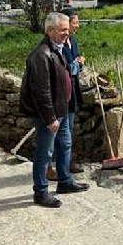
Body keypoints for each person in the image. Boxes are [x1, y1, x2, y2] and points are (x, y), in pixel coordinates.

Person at [19, 12, 89, 208]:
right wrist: (50, 118)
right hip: (49, 115)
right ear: (50, 31)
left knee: (64, 145)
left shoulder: (57, 49)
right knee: (45, 152)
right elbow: (41, 91)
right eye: (63, 30)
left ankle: (65, 181)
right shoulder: (41, 54)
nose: (68, 33)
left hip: (62, 110)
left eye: (68, 29)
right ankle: (41, 192)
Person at [47, 10, 85, 180]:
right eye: (75, 22)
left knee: (68, 132)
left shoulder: (73, 42)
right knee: (54, 134)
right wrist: (75, 65)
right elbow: (65, 68)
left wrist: (78, 64)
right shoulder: (56, 47)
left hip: (72, 92)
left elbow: (74, 66)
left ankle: (66, 165)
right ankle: (49, 167)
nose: (77, 25)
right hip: (60, 95)